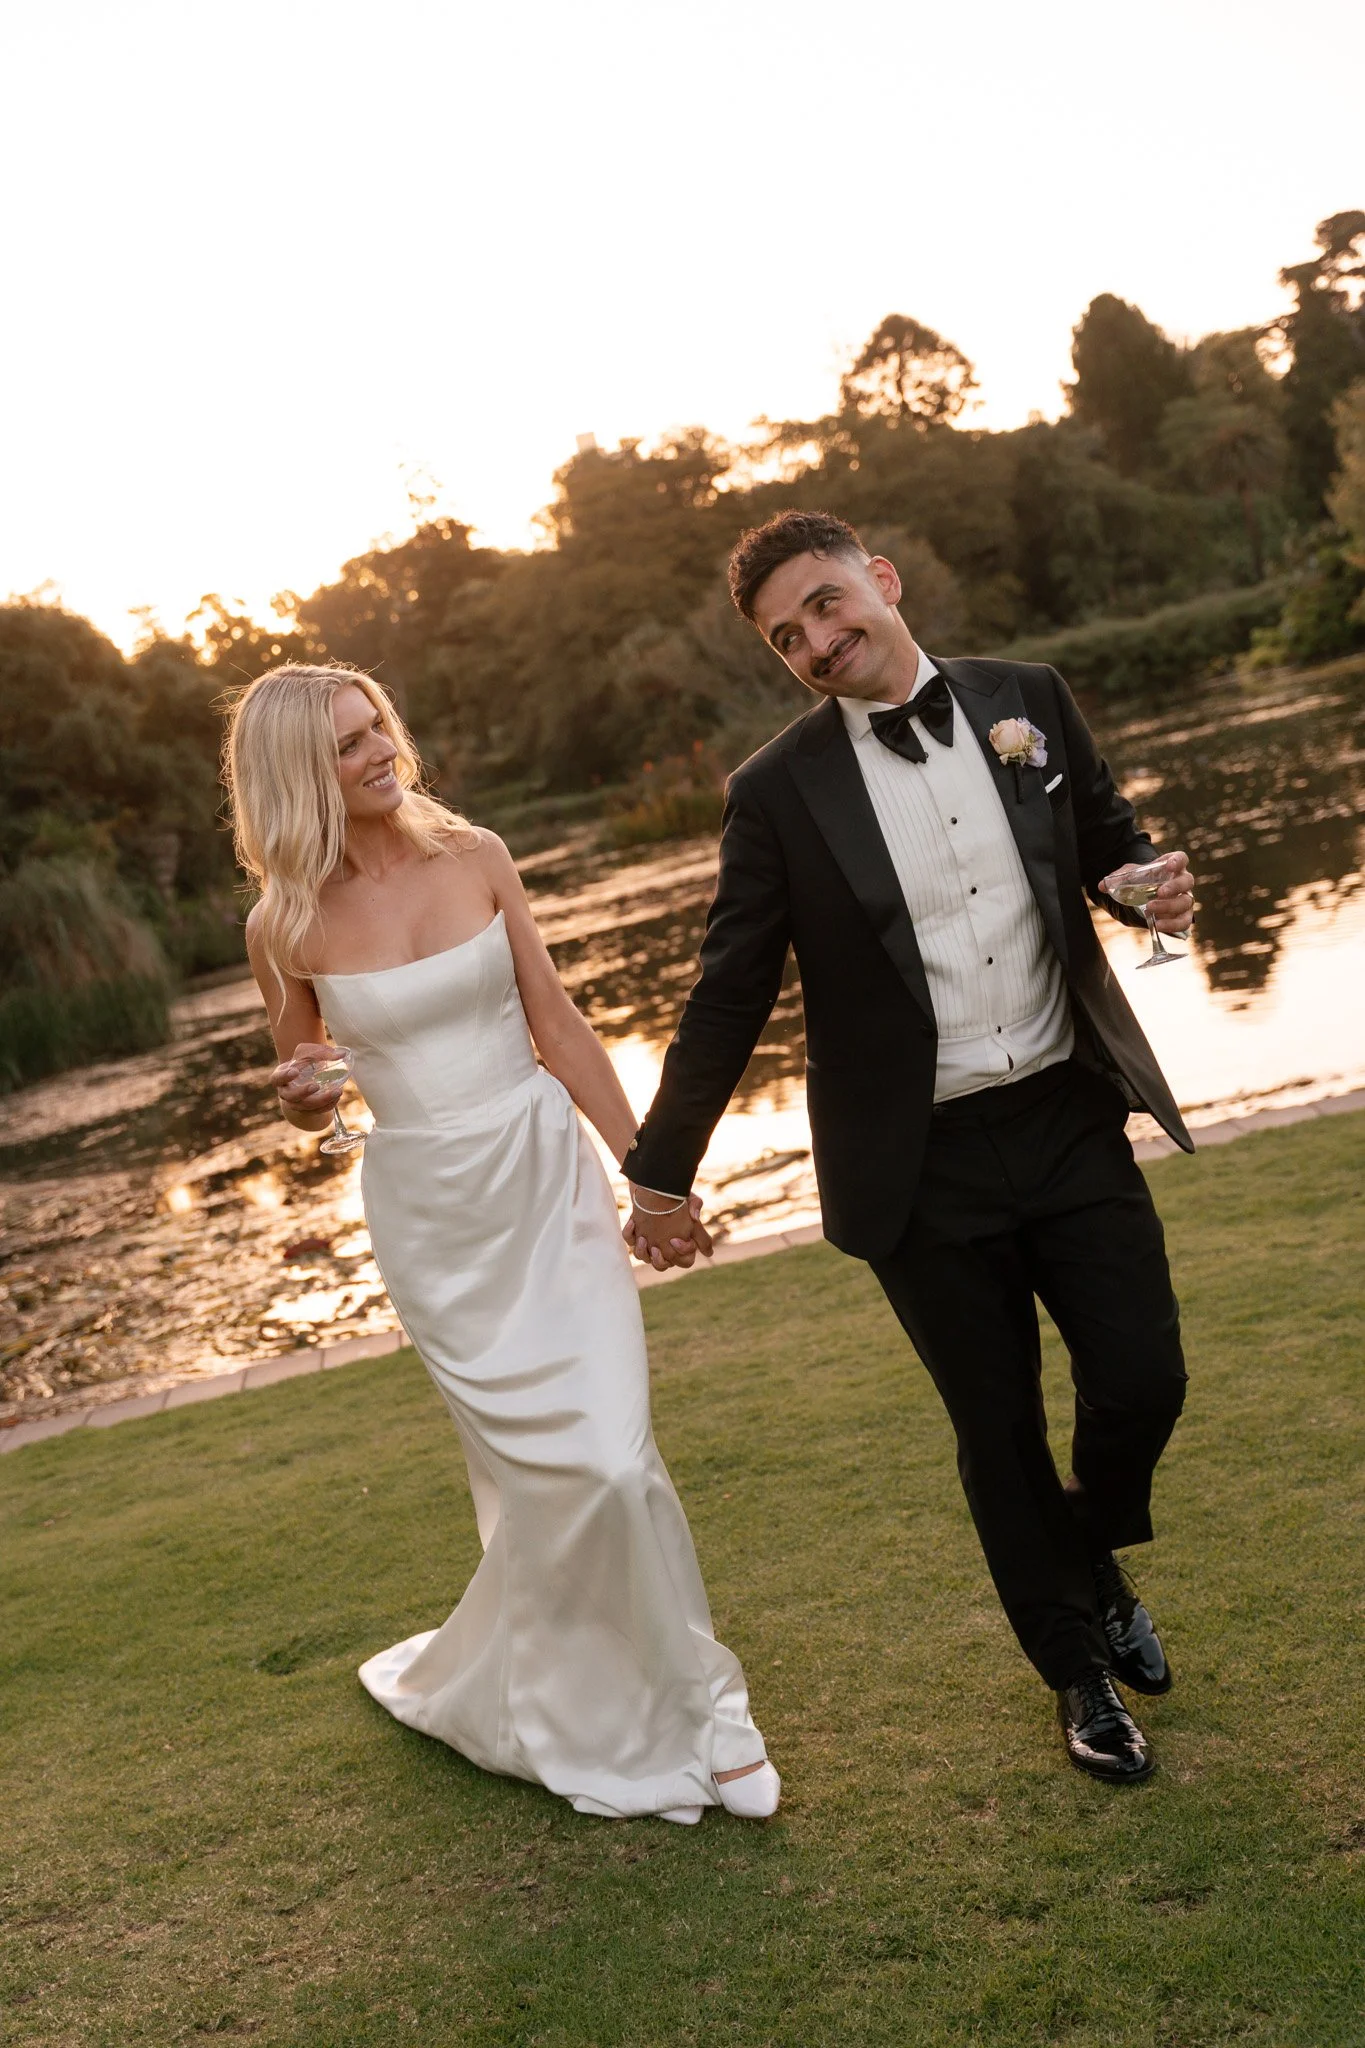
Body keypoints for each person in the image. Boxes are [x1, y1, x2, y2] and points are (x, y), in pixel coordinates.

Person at [621, 511, 1196, 1784]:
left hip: (1065, 1112)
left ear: (881, 581)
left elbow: (1106, 836)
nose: (818, 641)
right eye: (788, 637)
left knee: (1143, 1378)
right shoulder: (774, 794)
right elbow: (729, 990)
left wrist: (1143, 881)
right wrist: (660, 1165)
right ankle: (1079, 1679)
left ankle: (1091, 1551)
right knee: (995, 1429)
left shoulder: (1026, 699)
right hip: (917, 1167)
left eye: (828, 605)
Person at [223, 662, 779, 1824]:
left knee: (616, 1458)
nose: (380, 749)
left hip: (543, 1180)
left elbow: (557, 1022)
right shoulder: (282, 921)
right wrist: (304, 1097)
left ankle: (707, 1708)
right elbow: (307, 1082)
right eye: (346, 744)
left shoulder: (476, 855)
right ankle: (584, 1702)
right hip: (433, 1216)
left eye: (376, 725)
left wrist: (654, 1175)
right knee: (548, 1482)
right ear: (295, 777)